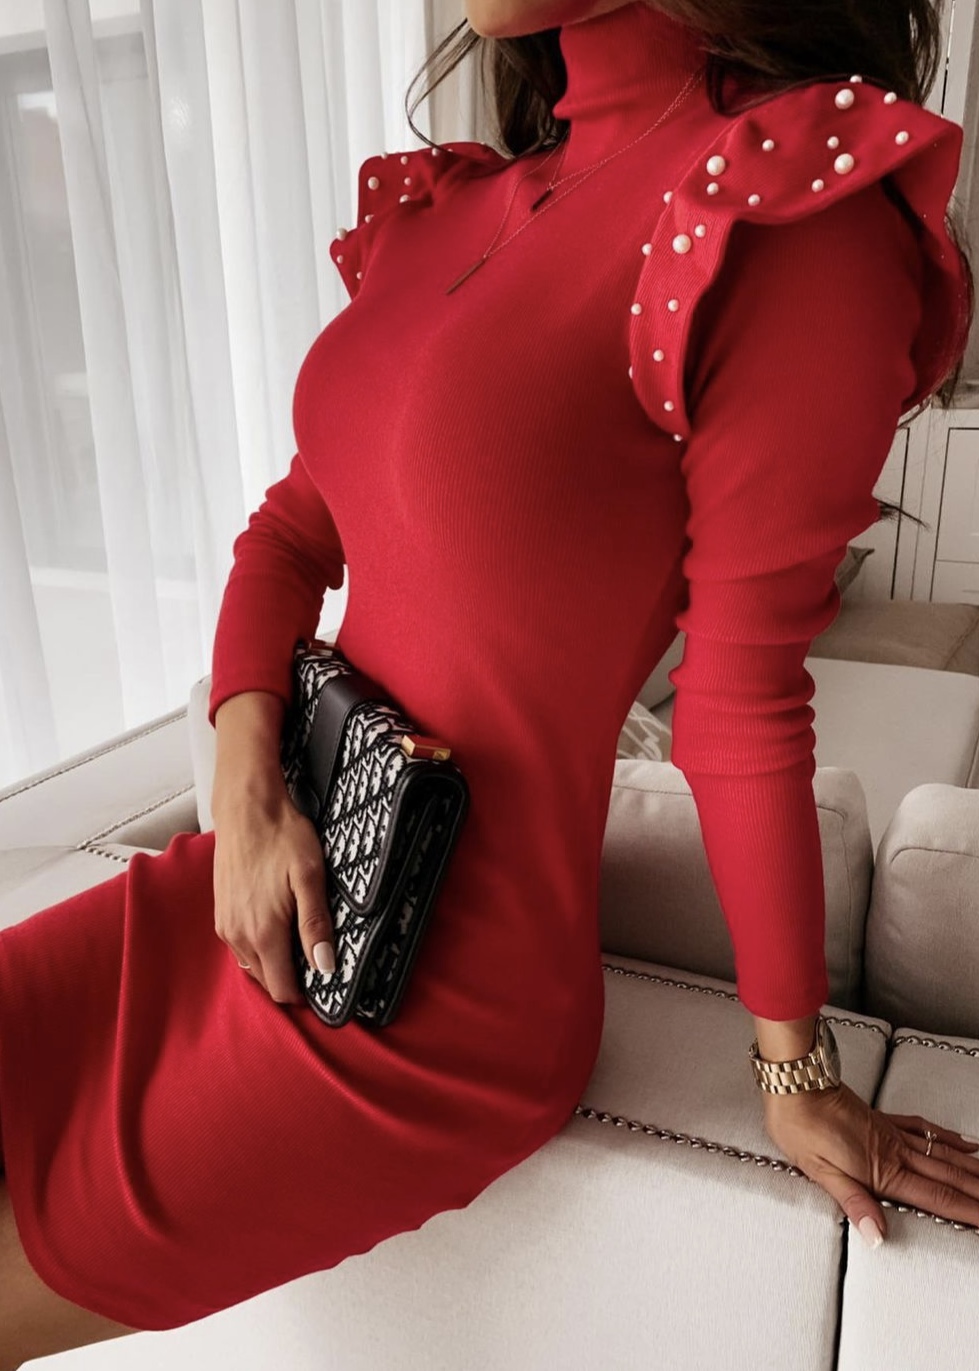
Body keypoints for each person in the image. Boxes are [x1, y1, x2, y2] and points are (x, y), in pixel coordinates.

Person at [0, 0, 977, 1362]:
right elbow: (287, 537)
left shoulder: (781, 206)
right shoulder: (460, 206)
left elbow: (741, 702)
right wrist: (246, 792)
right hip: (254, 885)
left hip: (424, 1008)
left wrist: (797, 1071)